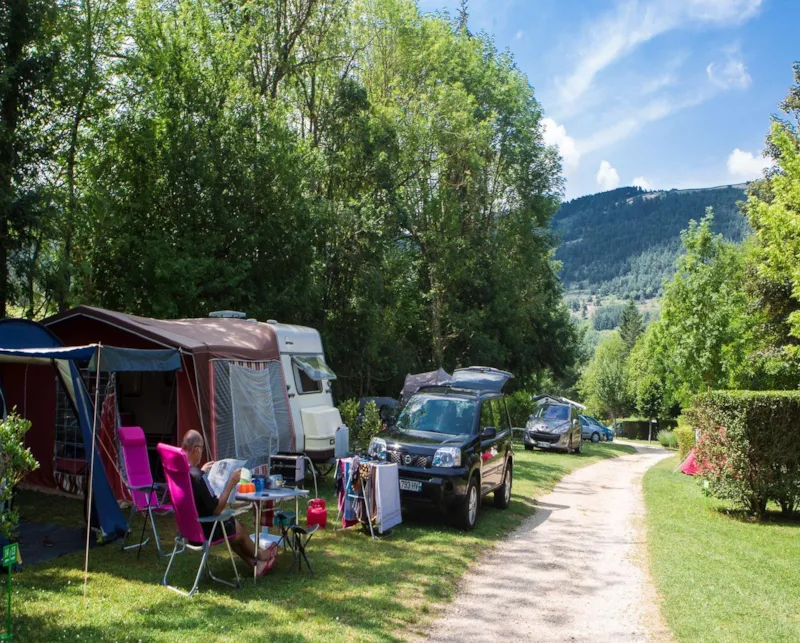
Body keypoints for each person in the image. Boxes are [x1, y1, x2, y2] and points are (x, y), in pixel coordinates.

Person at [181, 430, 274, 576]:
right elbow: (217, 510)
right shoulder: (198, 477)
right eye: (202, 449)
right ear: (196, 449)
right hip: (205, 530)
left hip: (188, 530)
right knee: (238, 528)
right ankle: (261, 556)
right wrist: (231, 482)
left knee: (234, 529)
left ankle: (256, 566)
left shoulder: (181, 472)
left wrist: (203, 472)